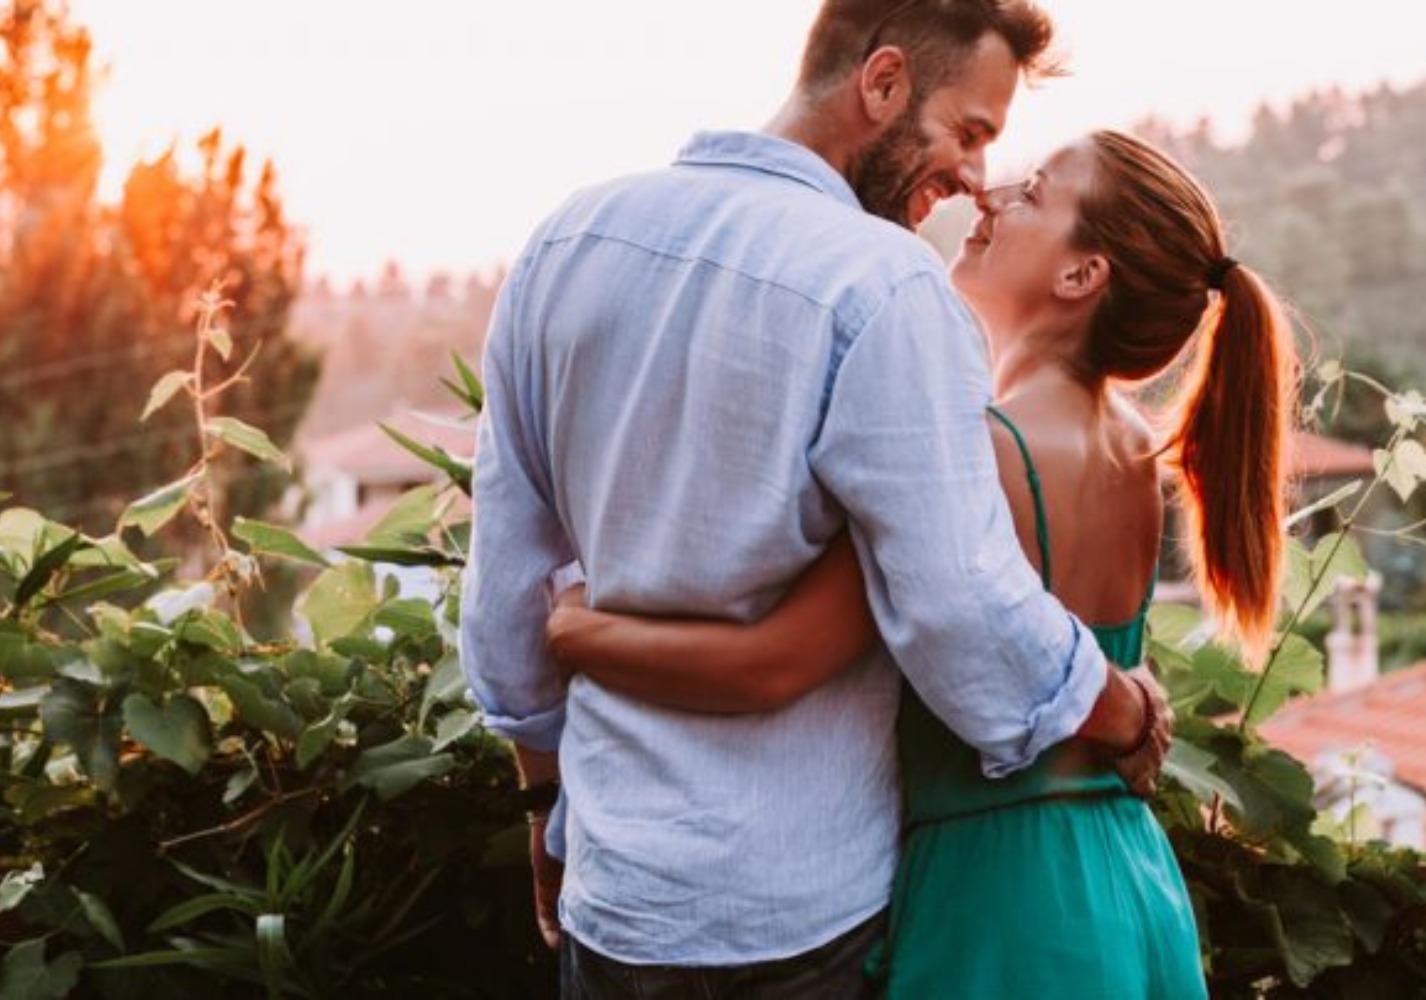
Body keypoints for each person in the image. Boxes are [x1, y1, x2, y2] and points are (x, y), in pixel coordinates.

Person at [461, 2, 1171, 995]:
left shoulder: (563, 243)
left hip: (614, 899)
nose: (972, 178)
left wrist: (543, 808)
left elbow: (506, 585)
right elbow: (958, 608)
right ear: (880, 84)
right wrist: (1123, 709)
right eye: (967, 133)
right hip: (803, 917)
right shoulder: (884, 288)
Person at [547, 129, 1301, 997]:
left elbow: (773, 660)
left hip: (1003, 903)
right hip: (1125, 875)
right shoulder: (1127, 447)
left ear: (1081, 276)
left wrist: (576, 632)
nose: (989, 197)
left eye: (1034, 194)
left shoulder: (978, 452)